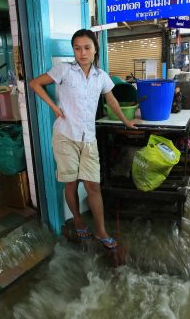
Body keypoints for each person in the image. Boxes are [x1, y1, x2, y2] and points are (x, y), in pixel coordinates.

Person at [29, 29, 137, 251]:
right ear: (74, 51)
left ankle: (101, 231)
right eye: (77, 48)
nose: (82, 52)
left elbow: (112, 100)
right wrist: (54, 108)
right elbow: (34, 84)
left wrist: (126, 122)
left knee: (93, 186)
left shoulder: (101, 76)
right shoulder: (64, 70)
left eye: (87, 47)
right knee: (71, 183)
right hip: (65, 136)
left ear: (95, 49)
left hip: (88, 137)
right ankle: (78, 219)